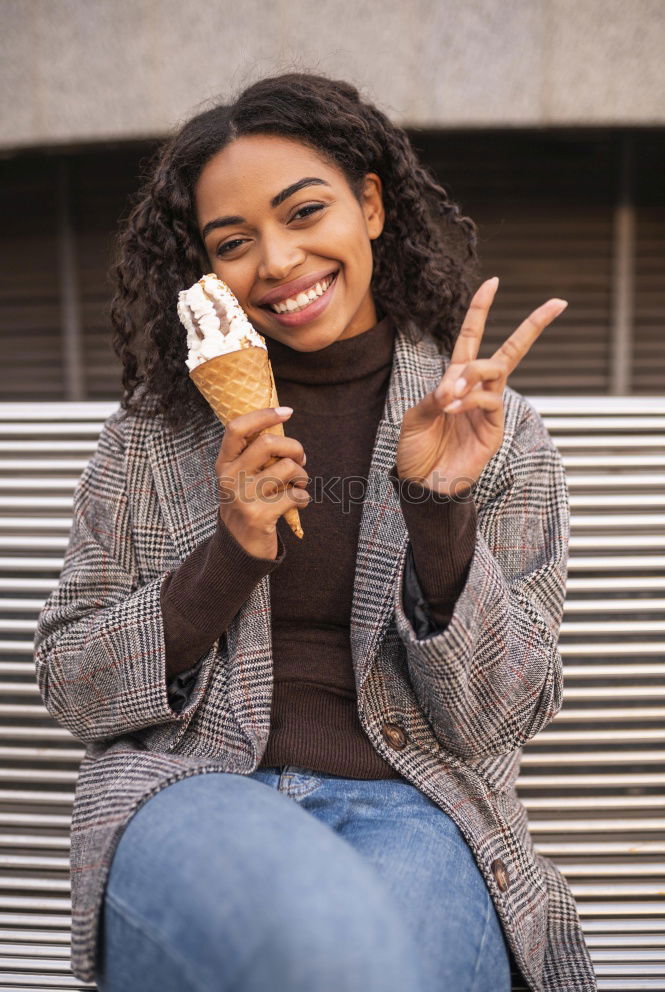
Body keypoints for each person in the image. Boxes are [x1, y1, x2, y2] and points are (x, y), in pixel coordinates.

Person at [33, 72, 597, 992]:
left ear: (369, 204)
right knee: (316, 954)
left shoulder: (494, 433)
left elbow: (500, 715)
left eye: (304, 212)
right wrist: (226, 557)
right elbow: (74, 688)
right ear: (205, 270)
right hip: (194, 794)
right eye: (233, 242)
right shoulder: (152, 436)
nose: (279, 260)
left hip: (417, 805)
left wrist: (439, 513)